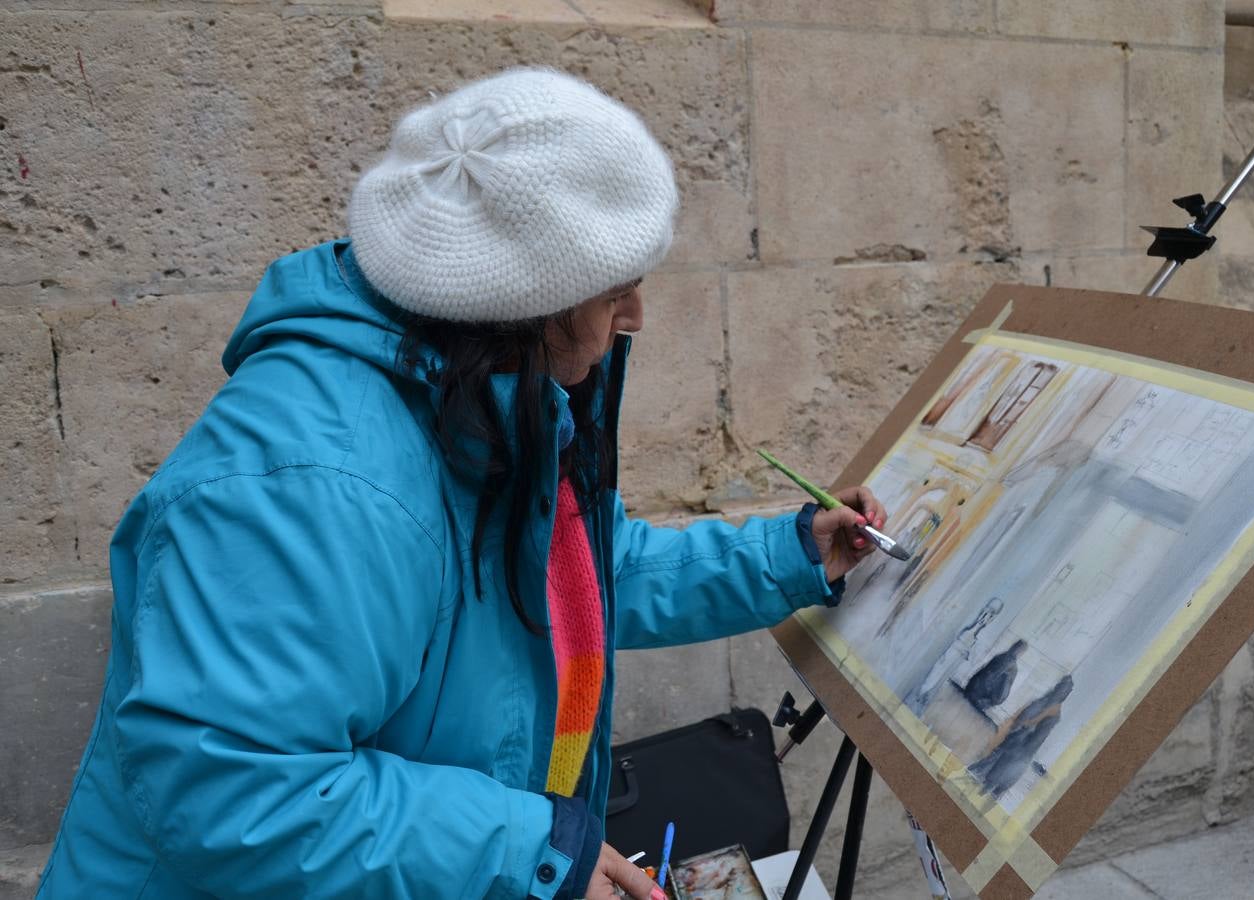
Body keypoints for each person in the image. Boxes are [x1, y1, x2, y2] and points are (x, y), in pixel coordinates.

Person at [37, 68, 887, 899]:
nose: (635, 318)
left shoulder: (481, 404)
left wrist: (787, 555)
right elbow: (234, 791)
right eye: (617, 292)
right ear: (522, 301)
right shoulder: (308, 486)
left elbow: (581, 581)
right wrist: (526, 855)